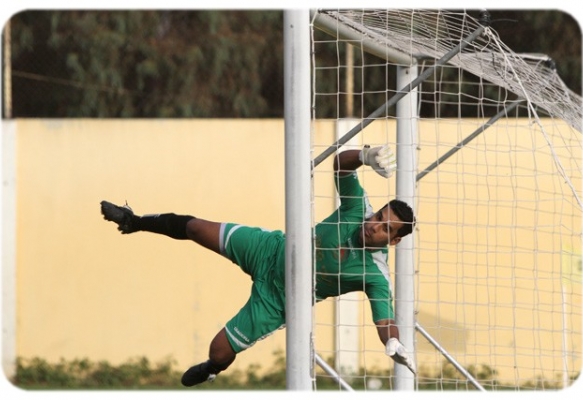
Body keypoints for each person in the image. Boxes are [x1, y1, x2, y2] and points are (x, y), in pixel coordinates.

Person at [100, 144, 416, 387]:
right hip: (270, 249)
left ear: (394, 241)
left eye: (386, 229)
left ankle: (212, 370)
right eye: (379, 217)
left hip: (279, 300)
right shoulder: (357, 208)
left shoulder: (375, 274)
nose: (375, 226)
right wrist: (365, 155)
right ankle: (133, 221)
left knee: (218, 350)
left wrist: (392, 341)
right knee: (195, 228)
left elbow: (384, 319)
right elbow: (340, 165)